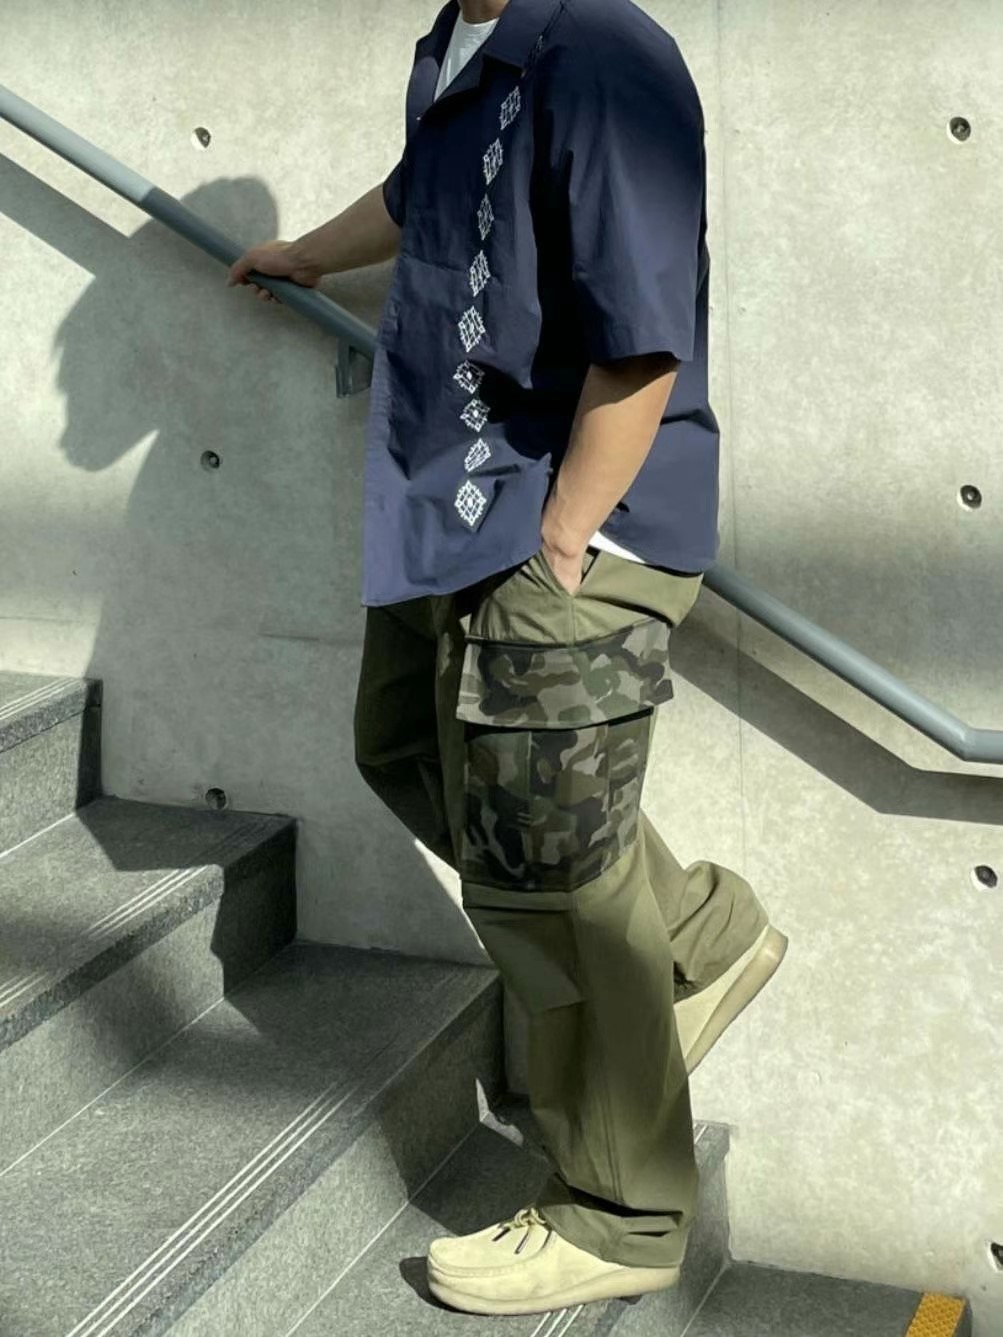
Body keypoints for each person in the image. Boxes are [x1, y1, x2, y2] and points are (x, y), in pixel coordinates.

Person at [228, 0, 787, 1318]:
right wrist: (310, 253)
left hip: (566, 528)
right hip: (454, 514)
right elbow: (422, 190)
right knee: (404, 749)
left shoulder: (602, 54)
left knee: (548, 880)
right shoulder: (459, 39)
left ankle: (623, 1209)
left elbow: (640, 335)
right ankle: (698, 934)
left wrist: (567, 534)